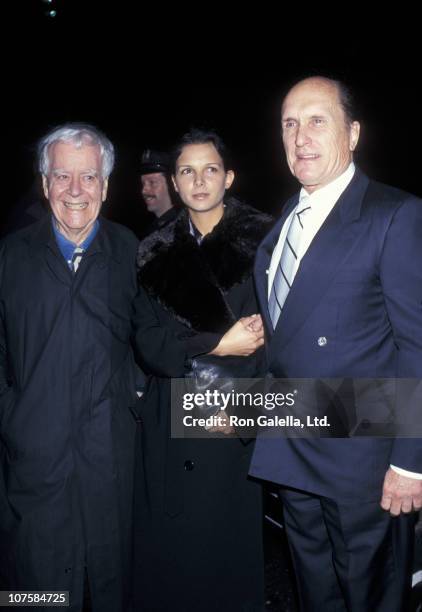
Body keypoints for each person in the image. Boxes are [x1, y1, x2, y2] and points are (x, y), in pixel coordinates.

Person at [250, 76, 422, 611]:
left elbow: (418, 343)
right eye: (289, 123)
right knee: (315, 595)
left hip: (361, 461)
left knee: (369, 599)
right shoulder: (283, 223)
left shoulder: (393, 214)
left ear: (353, 132)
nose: (300, 135)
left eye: (317, 120)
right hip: (293, 446)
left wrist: (412, 462)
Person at [0, 123, 142, 612]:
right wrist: (15, 419)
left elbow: (162, 346)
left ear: (105, 184)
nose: (75, 191)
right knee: (31, 593)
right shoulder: (9, 256)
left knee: (112, 588)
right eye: (62, 177)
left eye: (88, 177)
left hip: (111, 464)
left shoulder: (135, 254)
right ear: (45, 185)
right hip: (34, 464)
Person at [132, 128, 272, 612]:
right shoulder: (152, 251)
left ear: (228, 177)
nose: (198, 180)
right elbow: (147, 339)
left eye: (209, 169)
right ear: (174, 180)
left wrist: (249, 408)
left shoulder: (265, 244)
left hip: (228, 419)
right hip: (170, 420)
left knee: (223, 562)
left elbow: (271, 338)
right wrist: (219, 342)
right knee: (172, 566)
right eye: (186, 170)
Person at [139, 148, 179, 237]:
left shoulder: (182, 229)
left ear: (172, 184)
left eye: (152, 182)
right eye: (143, 184)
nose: (143, 190)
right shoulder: (153, 229)